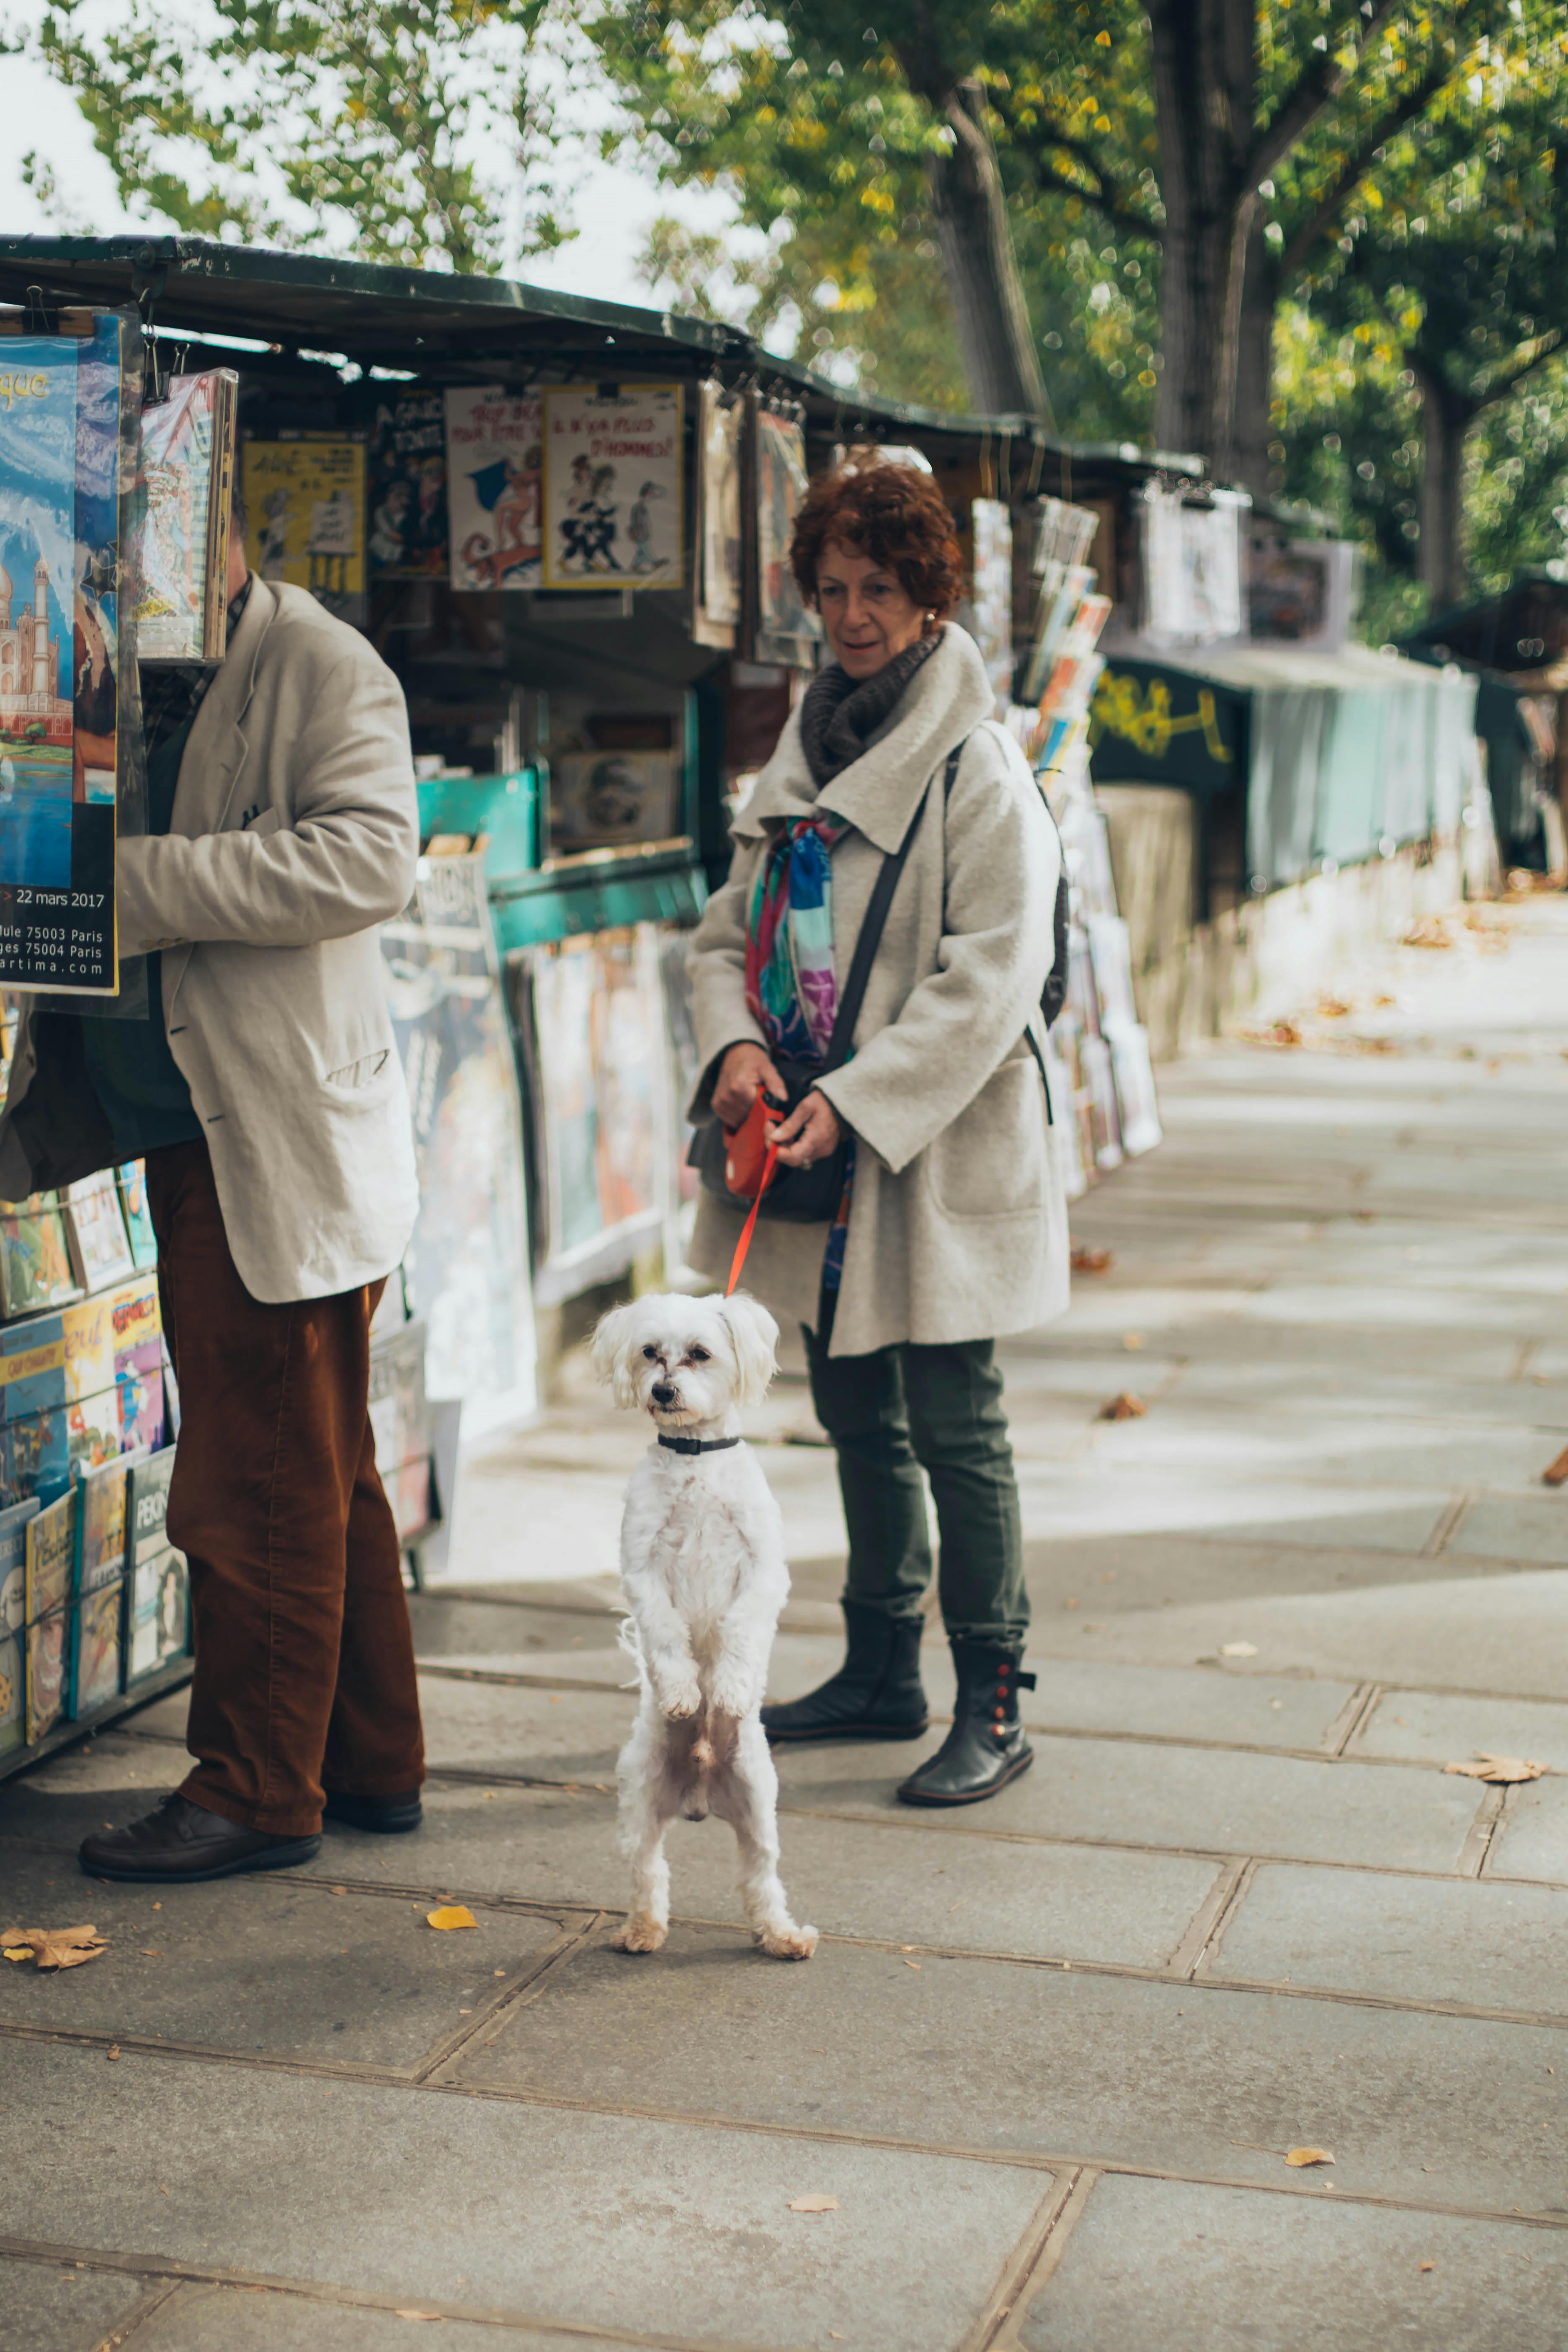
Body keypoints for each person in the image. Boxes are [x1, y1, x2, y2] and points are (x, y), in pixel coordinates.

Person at [0, 495, 427, 1881]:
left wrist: (133, 888)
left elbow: (371, 857)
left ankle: (253, 1788)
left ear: (210, 537)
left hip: (265, 1135)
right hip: (176, 1123)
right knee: (320, 1469)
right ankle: (367, 1761)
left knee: (256, 1486)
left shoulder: (319, 662)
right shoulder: (104, 667)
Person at [685, 455, 1067, 1807]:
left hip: (933, 1147)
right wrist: (735, 1043)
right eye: (833, 588)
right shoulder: (806, 748)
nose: (853, 614)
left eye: (881, 589)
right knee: (851, 1404)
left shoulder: (976, 764)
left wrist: (850, 1100)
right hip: (807, 1140)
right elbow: (727, 931)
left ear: (928, 595)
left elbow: (991, 978)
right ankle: (881, 1671)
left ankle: (996, 1700)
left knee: (957, 1417)